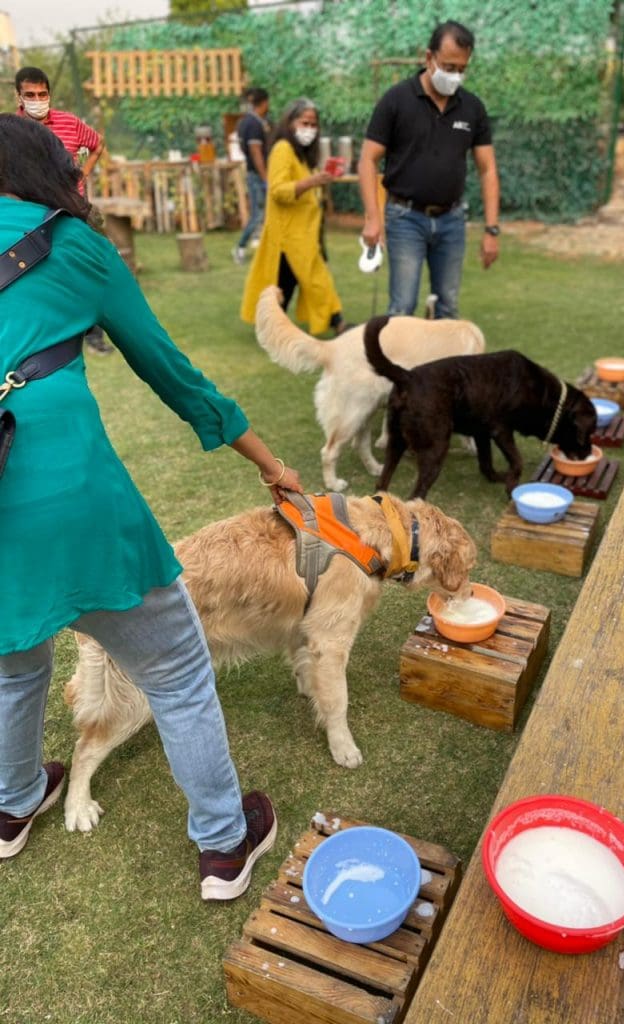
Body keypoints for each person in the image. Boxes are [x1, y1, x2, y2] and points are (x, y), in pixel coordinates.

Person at [0, 114, 303, 900]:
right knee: (174, 667)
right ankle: (225, 845)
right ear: (46, 172)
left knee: (11, 666)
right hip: (70, 493)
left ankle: (11, 806)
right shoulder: (73, 245)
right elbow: (172, 372)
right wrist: (268, 462)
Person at [358, 19, 500, 320]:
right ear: (428, 58)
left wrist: (491, 229)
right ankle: (394, 367)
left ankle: (440, 369)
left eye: (462, 69)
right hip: (404, 218)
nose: (455, 75)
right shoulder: (396, 100)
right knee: (402, 308)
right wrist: (373, 219)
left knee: (448, 308)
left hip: (452, 220)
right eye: (448, 67)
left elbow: (487, 169)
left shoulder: (472, 108)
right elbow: (368, 159)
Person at [15, 65, 113, 354]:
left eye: (42, 93)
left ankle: (94, 333)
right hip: (33, 214)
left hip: (73, 210)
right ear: (18, 96)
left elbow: (97, 143)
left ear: (49, 94)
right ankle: (52, 338)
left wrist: (82, 174)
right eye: (30, 94)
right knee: (43, 276)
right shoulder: (12, 129)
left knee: (88, 269)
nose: (37, 99)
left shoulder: (69, 123)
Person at [240, 97, 348, 336]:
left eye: (313, 124)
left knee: (294, 281)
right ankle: (335, 321)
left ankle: (330, 321)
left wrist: (319, 179)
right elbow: (278, 190)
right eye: (304, 123)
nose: (309, 129)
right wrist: (312, 181)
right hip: (288, 232)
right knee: (307, 279)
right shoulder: (282, 149)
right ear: (290, 122)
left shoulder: (302, 154)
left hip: (303, 231)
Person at [232, 87, 271, 265]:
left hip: (252, 173)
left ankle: (267, 249)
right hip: (257, 175)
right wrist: (265, 178)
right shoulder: (255, 124)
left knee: (265, 214)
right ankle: (240, 247)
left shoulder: (244, 122)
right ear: (263, 103)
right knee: (258, 215)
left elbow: (242, 148)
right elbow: (255, 152)